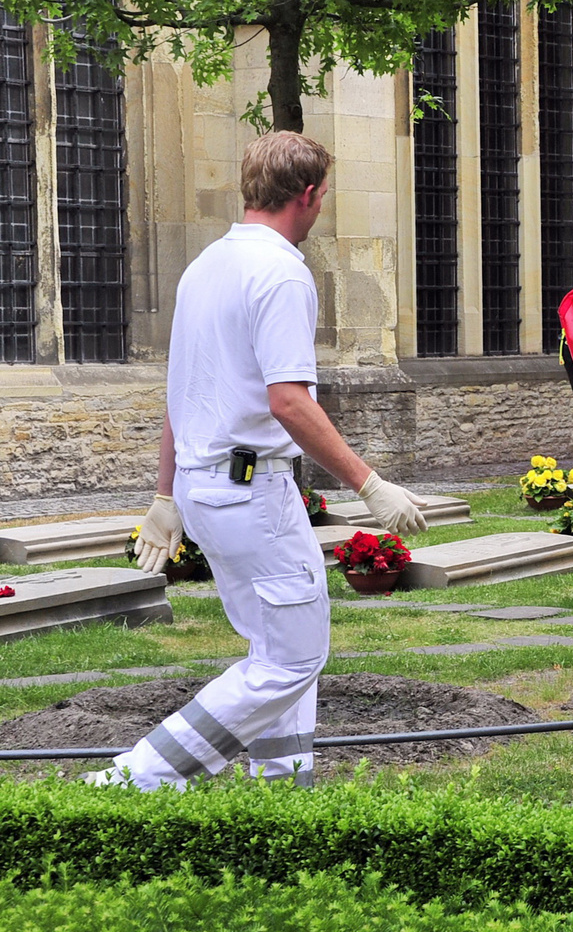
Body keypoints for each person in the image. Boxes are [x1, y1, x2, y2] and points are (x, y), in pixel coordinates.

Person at [89, 131, 428, 791]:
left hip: (208, 490)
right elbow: (288, 403)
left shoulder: (206, 266)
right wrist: (370, 483)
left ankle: (282, 793)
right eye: (324, 195)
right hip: (253, 494)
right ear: (307, 195)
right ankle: (140, 776)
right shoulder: (279, 271)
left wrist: (166, 496)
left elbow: (182, 393)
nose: (322, 206)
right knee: (294, 659)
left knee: (276, 650)